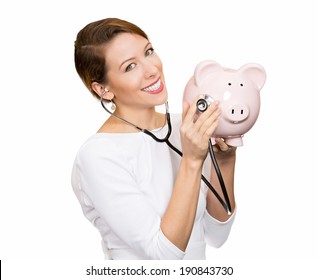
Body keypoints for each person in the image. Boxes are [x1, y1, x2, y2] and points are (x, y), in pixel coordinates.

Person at [71, 17, 237, 260]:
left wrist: (224, 161)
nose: (152, 70)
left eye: (148, 52)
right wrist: (192, 160)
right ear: (103, 90)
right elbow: (163, 258)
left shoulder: (187, 128)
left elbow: (216, 235)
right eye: (130, 66)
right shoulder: (98, 156)